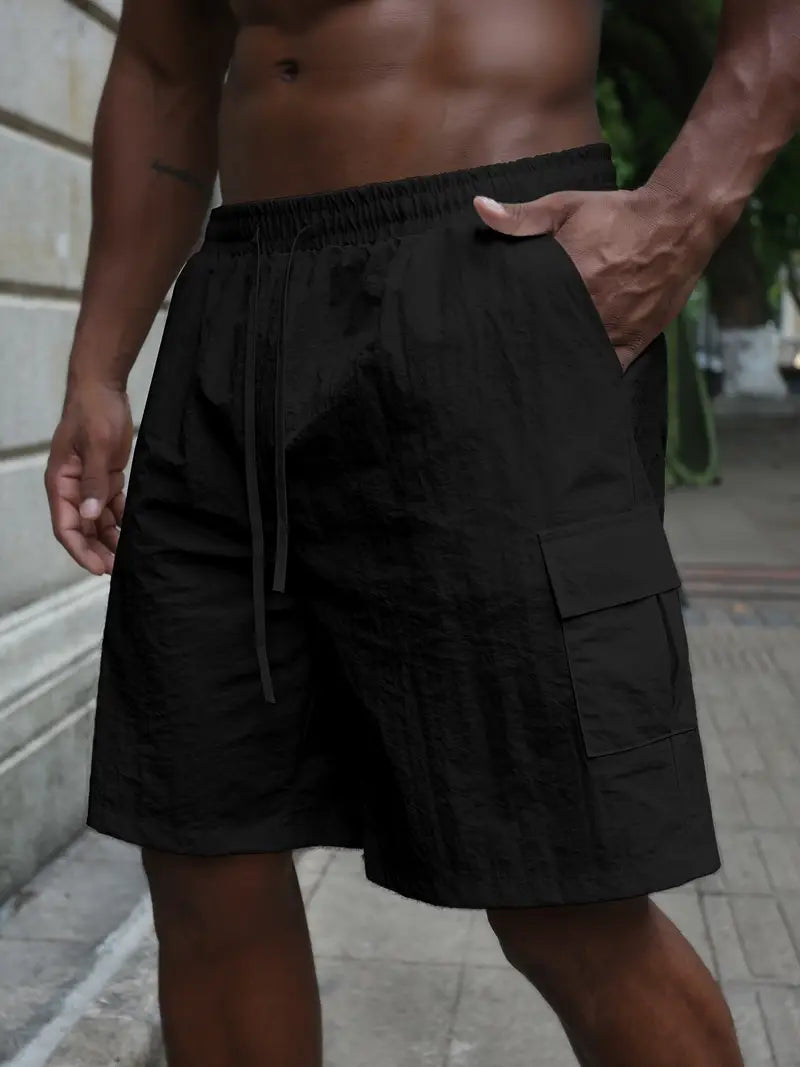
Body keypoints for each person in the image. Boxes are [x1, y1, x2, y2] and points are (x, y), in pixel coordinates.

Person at [44, 1, 799, 1064]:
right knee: (204, 851)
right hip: (234, 321)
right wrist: (97, 365)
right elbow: (164, 70)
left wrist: (682, 213)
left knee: (562, 887)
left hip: (492, 267)